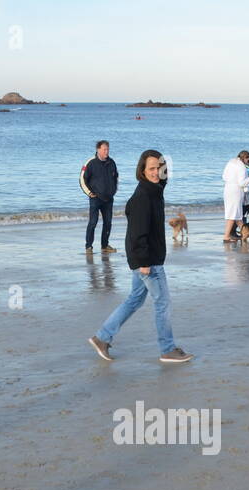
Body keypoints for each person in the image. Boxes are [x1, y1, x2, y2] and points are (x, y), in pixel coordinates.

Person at [87, 150, 193, 364]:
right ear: (142, 171)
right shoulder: (143, 196)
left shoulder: (154, 190)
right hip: (147, 260)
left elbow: (162, 181)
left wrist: (164, 169)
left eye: (158, 168)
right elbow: (137, 233)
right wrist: (143, 263)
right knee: (162, 302)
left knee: (134, 299)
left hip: (145, 257)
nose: (155, 173)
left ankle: (102, 337)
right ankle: (167, 349)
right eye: (151, 169)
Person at [83, 140, 118, 253]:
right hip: (95, 198)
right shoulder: (91, 162)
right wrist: (89, 193)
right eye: (104, 150)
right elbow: (82, 179)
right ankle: (89, 246)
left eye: (107, 149)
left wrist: (113, 191)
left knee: (108, 222)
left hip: (108, 199)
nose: (106, 152)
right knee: (93, 222)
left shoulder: (111, 162)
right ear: (98, 150)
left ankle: (105, 245)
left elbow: (116, 178)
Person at [222, 150, 249, 241]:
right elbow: (242, 183)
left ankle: (246, 232)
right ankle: (226, 236)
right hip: (236, 192)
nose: (248, 162)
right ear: (245, 158)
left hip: (227, 189)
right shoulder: (242, 167)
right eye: (248, 160)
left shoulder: (230, 162)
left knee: (237, 215)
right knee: (233, 214)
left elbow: (224, 176)